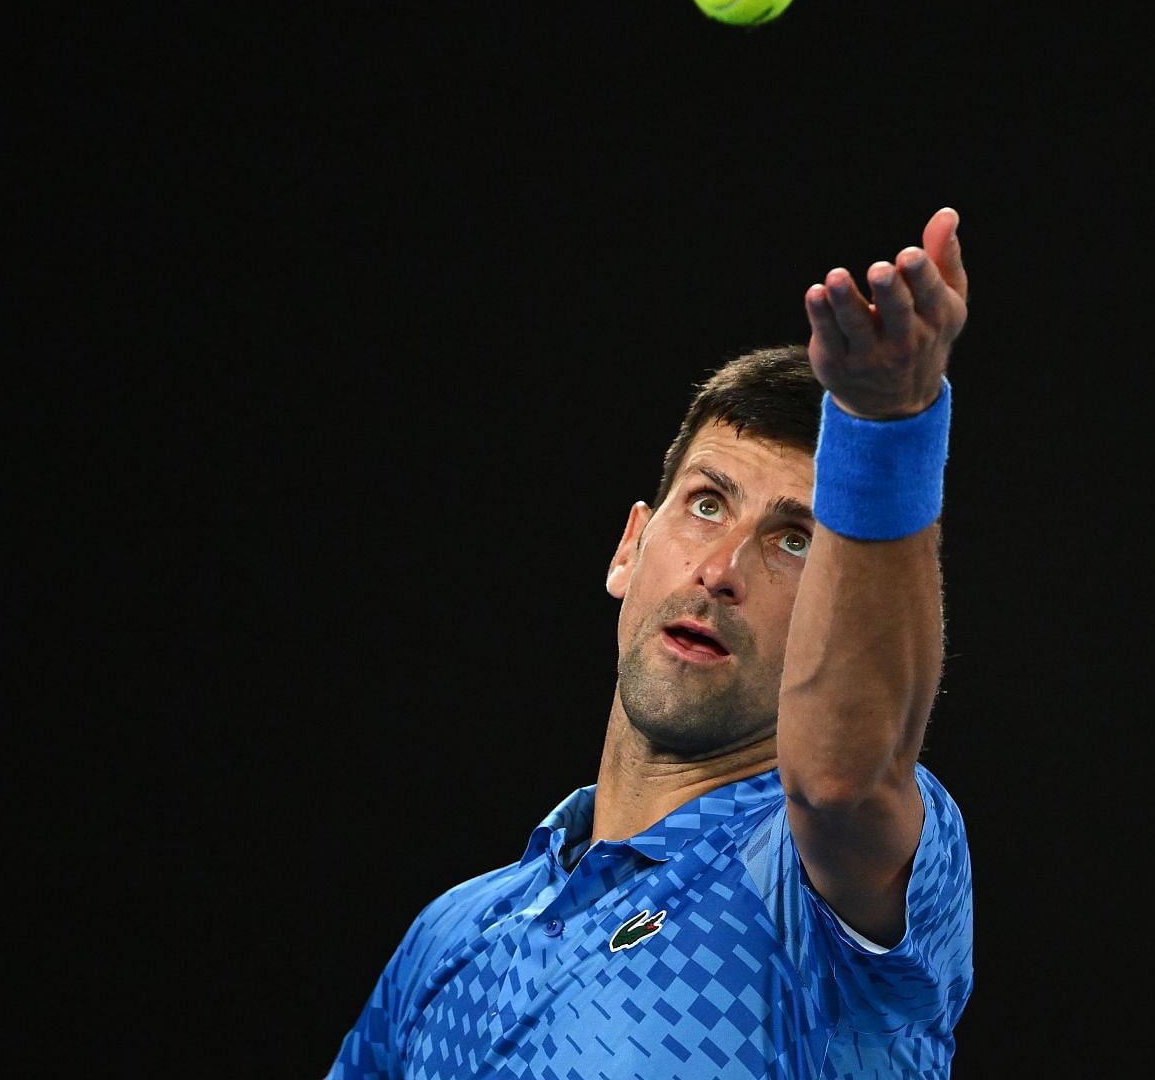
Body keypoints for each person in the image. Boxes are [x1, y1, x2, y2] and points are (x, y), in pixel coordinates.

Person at [327, 207, 975, 1078]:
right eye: (708, 504)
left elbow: (839, 781)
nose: (721, 570)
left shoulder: (807, 877)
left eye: (795, 541)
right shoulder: (450, 938)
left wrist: (885, 426)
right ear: (630, 546)